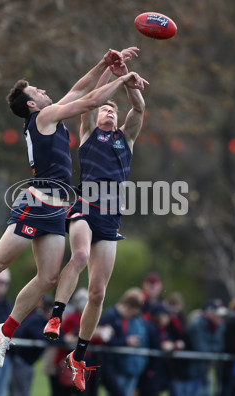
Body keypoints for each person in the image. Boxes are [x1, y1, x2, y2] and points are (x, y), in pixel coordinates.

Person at [0, 47, 147, 370]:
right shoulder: (43, 117)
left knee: (48, 277)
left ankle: (5, 331)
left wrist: (106, 65)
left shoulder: (52, 112)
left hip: (56, 211)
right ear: (32, 104)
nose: (44, 90)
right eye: (37, 91)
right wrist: (124, 80)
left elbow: (80, 91)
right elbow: (89, 101)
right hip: (37, 203)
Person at [42, 58, 147, 392]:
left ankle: (79, 356)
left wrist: (131, 85)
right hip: (85, 206)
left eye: (114, 111)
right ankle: (56, 315)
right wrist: (110, 73)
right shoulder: (87, 132)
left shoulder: (124, 140)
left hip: (111, 217)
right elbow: (90, 97)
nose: (110, 112)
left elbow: (140, 110)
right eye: (106, 109)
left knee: (99, 292)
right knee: (80, 256)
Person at [99, 287, 147, 396]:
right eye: (132, 313)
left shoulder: (121, 318)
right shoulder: (110, 316)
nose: (131, 316)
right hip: (104, 363)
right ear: (128, 307)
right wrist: (126, 341)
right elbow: (105, 340)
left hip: (114, 364)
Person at [185, 299, 226, 396]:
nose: (221, 317)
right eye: (217, 314)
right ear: (208, 312)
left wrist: (213, 351)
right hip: (194, 373)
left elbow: (221, 346)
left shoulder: (220, 326)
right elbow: (202, 349)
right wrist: (214, 351)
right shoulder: (196, 325)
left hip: (209, 372)